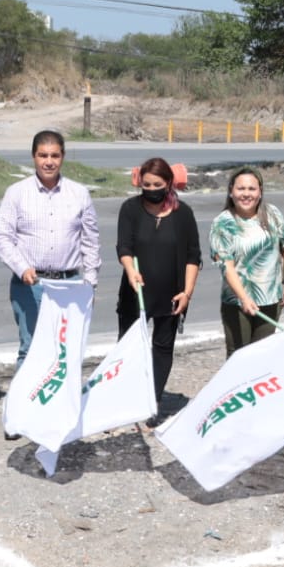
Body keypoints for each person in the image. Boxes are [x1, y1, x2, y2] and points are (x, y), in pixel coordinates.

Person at [0, 129, 100, 439]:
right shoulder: (17, 192)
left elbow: (90, 240)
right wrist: (22, 266)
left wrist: (89, 283)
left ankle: (54, 413)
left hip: (69, 285)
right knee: (30, 349)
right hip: (31, 284)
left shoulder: (79, 193)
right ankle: (18, 416)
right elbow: (2, 237)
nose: (48, 162)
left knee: (63, 353)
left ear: (63, 157)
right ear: (33, 157)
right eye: (43, 155)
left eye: (54, 155)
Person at [116, 157, 201, 408]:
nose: (151, 190)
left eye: (157, 185)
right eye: (146, 185)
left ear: (169, 183)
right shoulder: (130, 209)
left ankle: (151, 401)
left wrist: (187, 292)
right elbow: (124, 246)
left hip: (171, 294)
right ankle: (122, 399)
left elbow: (193, 256)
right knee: (128, 346)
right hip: (136, 291)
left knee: (162, 347)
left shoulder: (182, 213)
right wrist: (130, 270)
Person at [210, 167, 284, 354]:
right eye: (241, 189)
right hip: (238, 303)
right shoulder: (222, 223)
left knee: (263, 356)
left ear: (260, 192)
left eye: (252, 189)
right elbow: (226, 265)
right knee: (239, 356)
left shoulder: (272, 214)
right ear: (231, 191)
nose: (246, 194)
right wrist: (243, 297)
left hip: (270, 300)